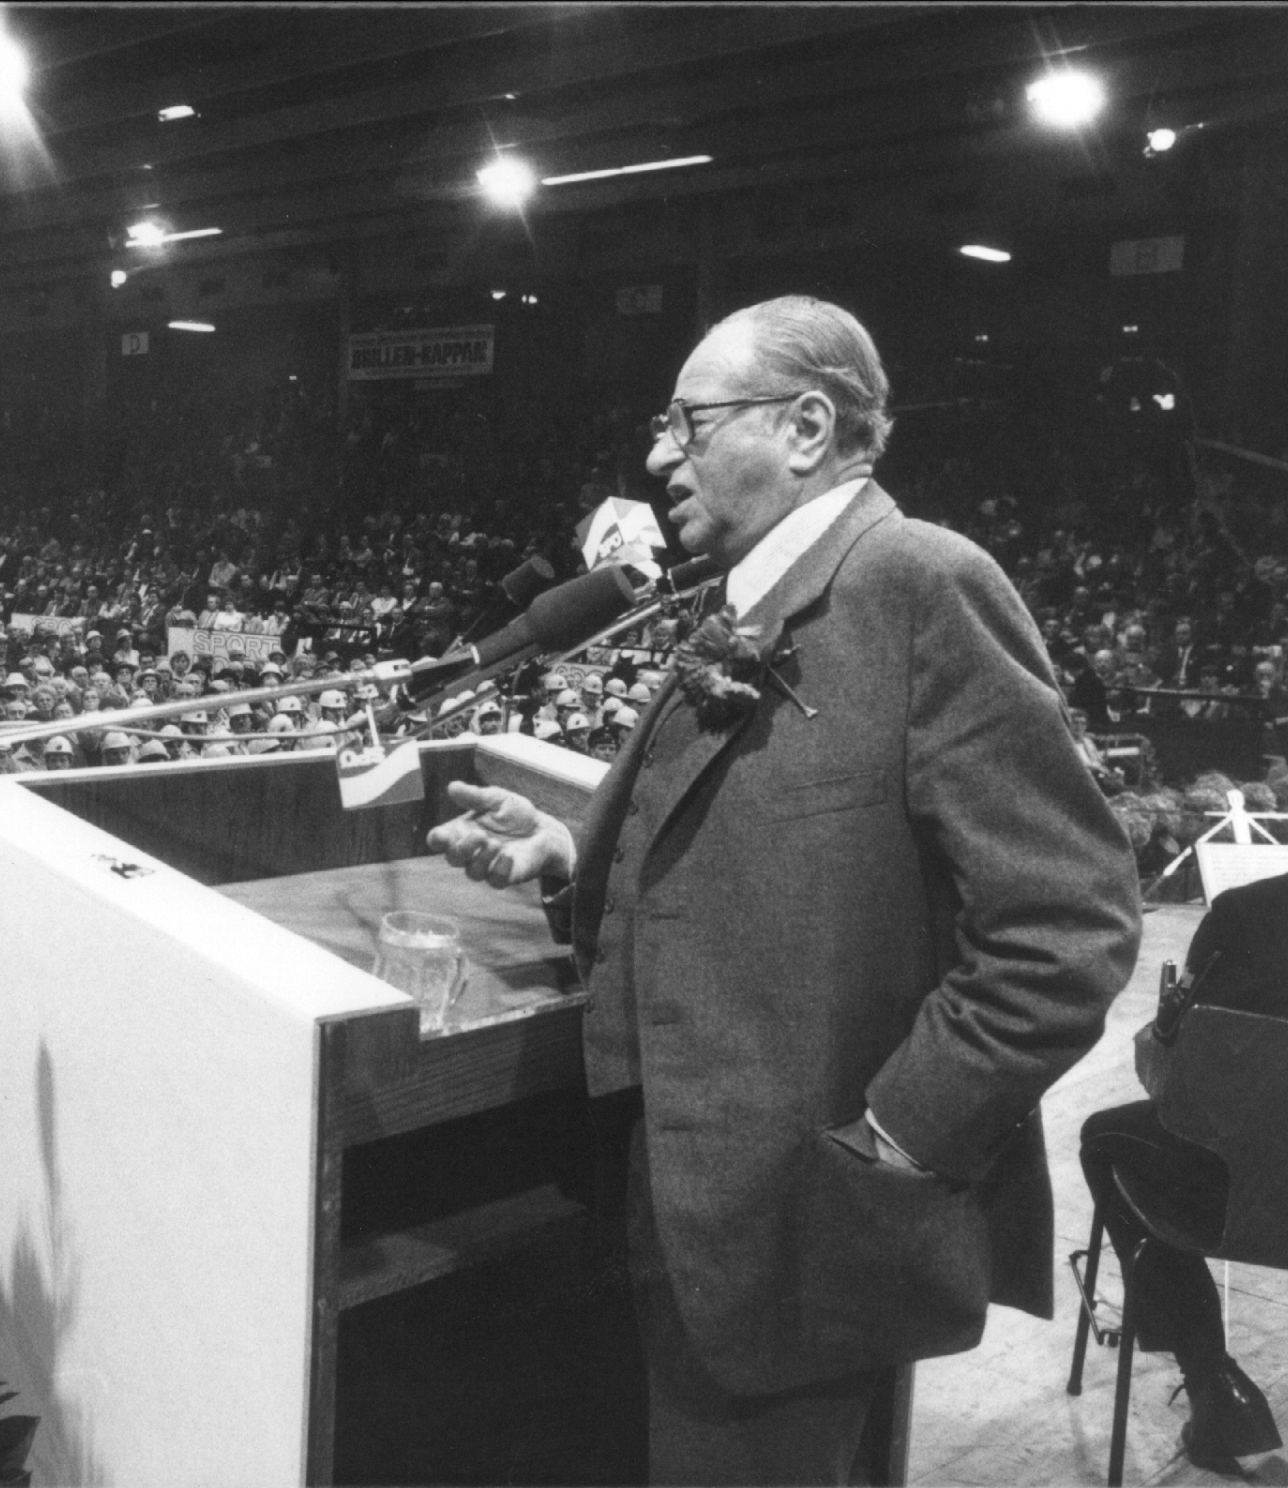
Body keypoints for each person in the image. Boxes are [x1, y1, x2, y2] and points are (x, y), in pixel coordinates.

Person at [425, 295, 1141, 1484]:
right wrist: (571, 859)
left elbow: (1067, 925)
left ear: (806, 427)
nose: (659, 455)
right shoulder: (738, 601)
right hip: (669, 1197)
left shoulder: (921, 582)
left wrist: (900, 1141)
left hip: (798, 1226)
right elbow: (760, 852)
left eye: (687, 423)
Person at [1077, 870, 1288, 1472]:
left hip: (1240, 1198)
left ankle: (1211, 1383)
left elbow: (1175, 1083)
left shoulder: (1248, 912)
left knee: (1104, 1136)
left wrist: (1162, 1033)